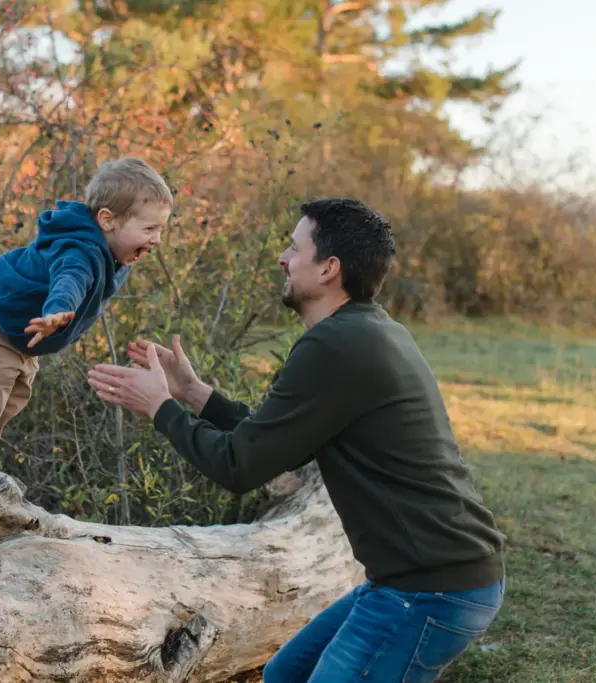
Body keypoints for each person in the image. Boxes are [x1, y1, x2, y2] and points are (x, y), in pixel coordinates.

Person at [86, 198, 506, 682]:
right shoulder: (366, 331)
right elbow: (276, 443)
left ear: (329, 268)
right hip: (422, 576)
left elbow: (238, 466)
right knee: (285, 673)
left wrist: (159, 406)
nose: (282, 258)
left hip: (429, 588)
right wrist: (194, 393)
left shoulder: (336, 345)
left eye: (293, 247)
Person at [0, 157, 173, 507]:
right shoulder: (79, 249)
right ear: (107, 220)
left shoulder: (115, 255)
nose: (157, 239)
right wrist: (56, 312)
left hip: (20, 335)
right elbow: (70, 279)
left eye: (161, 230)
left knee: (11, 401)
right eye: (149, 229)